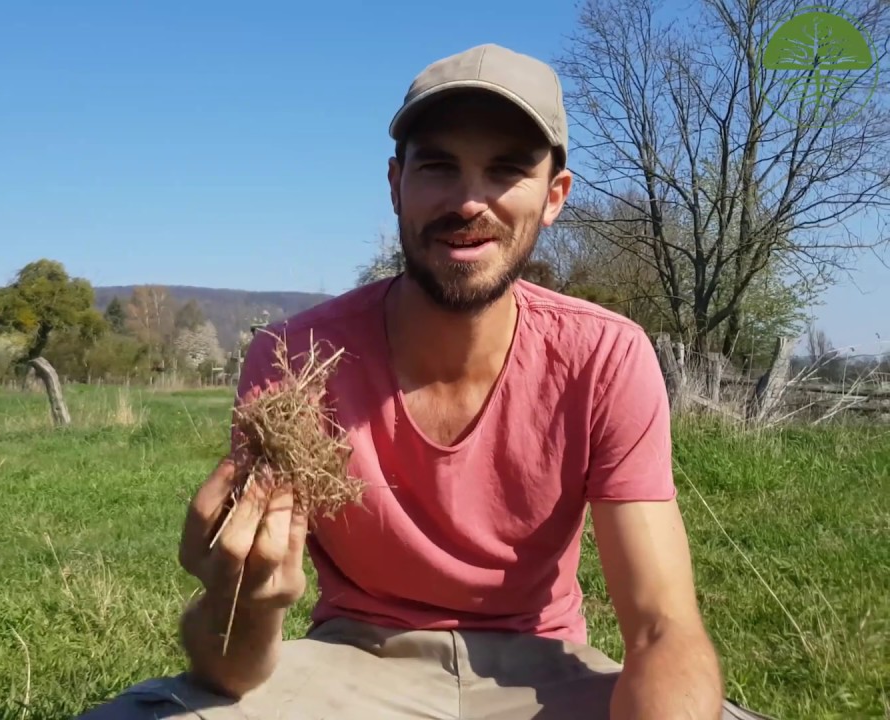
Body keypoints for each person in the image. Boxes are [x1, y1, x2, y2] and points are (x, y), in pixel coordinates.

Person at [79, 44, 770, 719]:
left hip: (544, 672)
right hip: (351, 671)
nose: (470, 202)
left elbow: (661, 629)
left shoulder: (605, 356)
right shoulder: (294, 361)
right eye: (438, 167)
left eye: (505, 171)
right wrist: (240, 599)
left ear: (554, 197)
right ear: (395, 184)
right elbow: (231, 669)